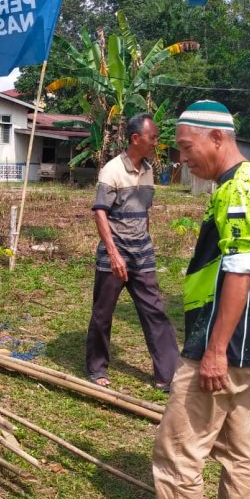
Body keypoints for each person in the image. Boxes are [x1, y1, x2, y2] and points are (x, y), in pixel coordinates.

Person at [116, 100, 250, 499]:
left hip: (222, 344)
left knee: (176, 455)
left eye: (187, 148)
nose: (181, 159)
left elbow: (239, 268)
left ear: (217, 138)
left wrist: (213, 351)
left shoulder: (237, 190)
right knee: (237, 451)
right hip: (247, 342)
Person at [86, 113, 179, 391]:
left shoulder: (149, 171)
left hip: (143, 256)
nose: (156, 143)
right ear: (136, 138)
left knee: (155, 312)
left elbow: (144, 213)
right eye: (153, 138)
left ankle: (168, 375)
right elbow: (100, 213)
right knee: (103, 314)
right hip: (114, 256)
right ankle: (96, 367)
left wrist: (146, 243)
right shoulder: (111, 171)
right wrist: (114, 254)